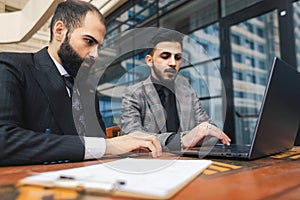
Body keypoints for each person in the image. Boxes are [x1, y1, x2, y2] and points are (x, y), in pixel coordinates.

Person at [0, 0, 161, 166]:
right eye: (89, 41)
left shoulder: (88, 91)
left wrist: (124, 147)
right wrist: (109, 145)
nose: (95, 55)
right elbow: (4, 140)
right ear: (60, 31)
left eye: (99, 46)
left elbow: (99, 146)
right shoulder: (12, 67)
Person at [121, 29, 231, 151]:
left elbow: (208, 128)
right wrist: (182, 140)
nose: (173, 63)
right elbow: (131, 137)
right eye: (165, 56)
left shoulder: (188, 93)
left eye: (178, 57)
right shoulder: (133, 93)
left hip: (189, 160)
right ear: (149, 60)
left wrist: (209, 132)